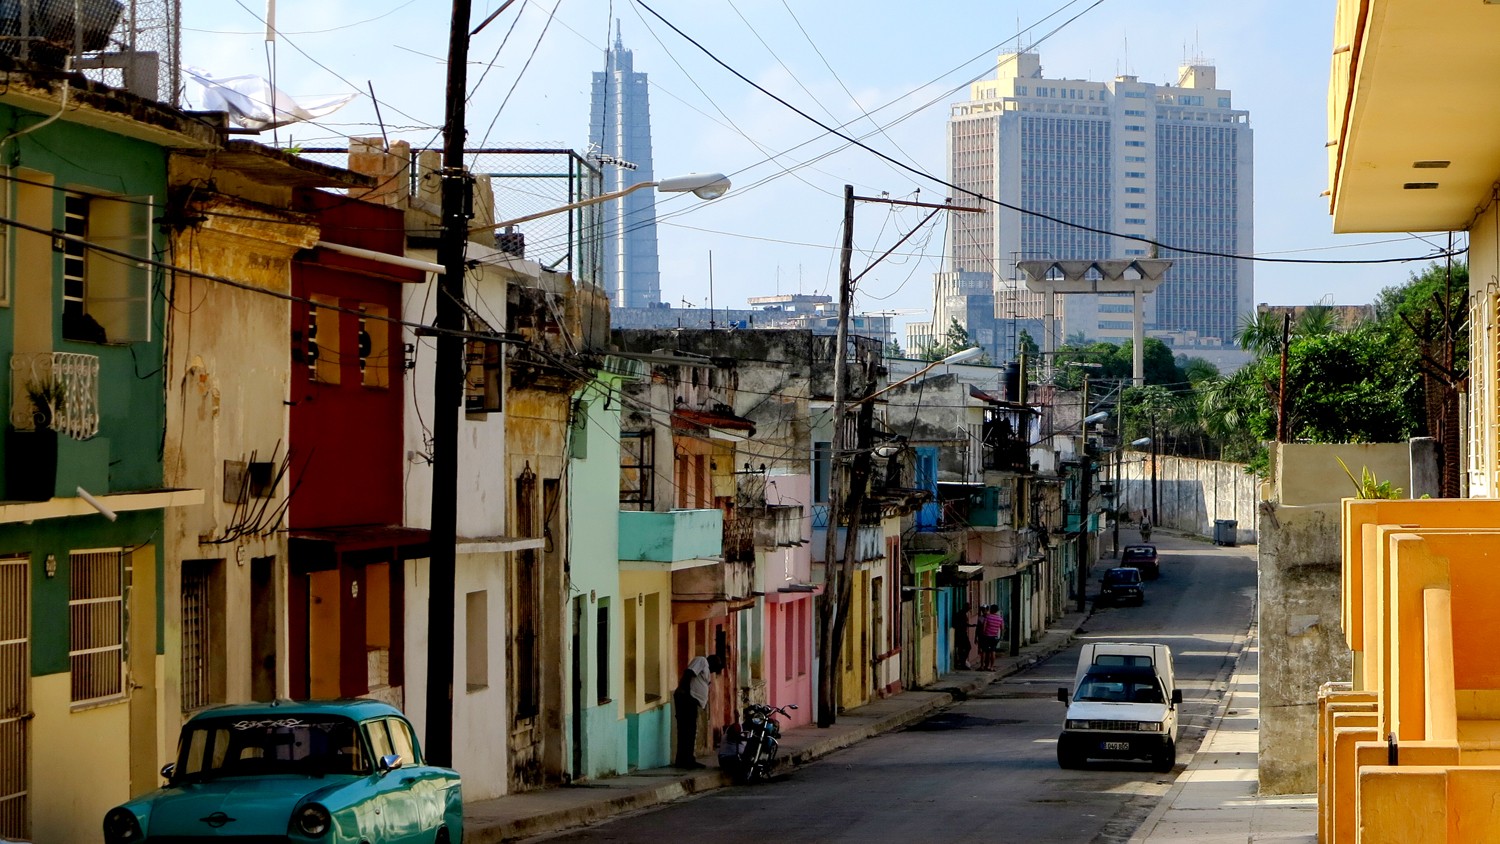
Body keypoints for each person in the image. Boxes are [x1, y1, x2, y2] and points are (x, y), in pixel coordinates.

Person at [674, 652, 724, 769]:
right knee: (686, 731)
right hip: (687, 699)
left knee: (689, 731)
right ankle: (685, 760)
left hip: (692, 701)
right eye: (716, 666)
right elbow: (689, 673)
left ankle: (687, 759)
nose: (714, 670)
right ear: (712, 661)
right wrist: (684, 691)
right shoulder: (702, 660)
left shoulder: (706, 668)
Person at [980, 604, 1005, 669]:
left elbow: (984, 626)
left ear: (991, 609)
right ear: (997, 610)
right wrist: (1000, 637)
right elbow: (1002, 628)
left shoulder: (987, 617)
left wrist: (983, 633)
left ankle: (982, 666)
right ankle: (991, 666)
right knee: (993, 651)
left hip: (986, 636)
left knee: (984, 651)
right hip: (994, 637)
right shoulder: (1000, 618)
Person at [953, 603, 974, 670]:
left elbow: (964, 624)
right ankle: (962, 663)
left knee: (962, 648)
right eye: (969, 608)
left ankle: (962, 662)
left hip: (961, 633)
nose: (969, 609)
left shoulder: (962, 613)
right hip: (961, 634)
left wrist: (970, 625)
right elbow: (961, 624)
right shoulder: (961, 614)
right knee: (967, 647)